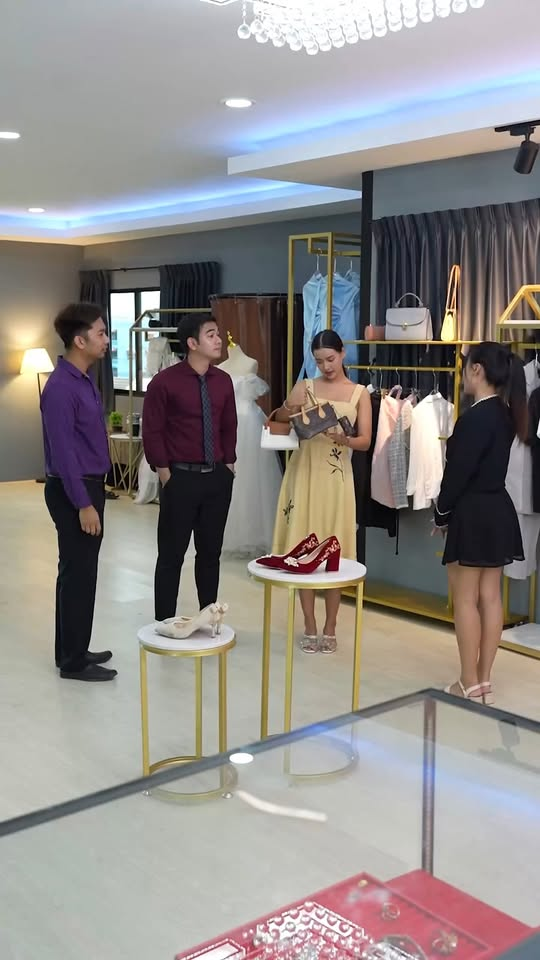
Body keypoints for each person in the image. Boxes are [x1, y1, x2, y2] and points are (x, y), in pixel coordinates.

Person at [433, 341, 527, 704]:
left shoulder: (474, 419)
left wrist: (441, 514)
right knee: (490, 598)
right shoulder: (506, 414)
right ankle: (483, 681)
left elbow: (457, 475)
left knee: (466, 599)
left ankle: (467, 681)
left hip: (472, 514)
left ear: (477, 370)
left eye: (466, 367)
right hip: (498, 511)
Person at [271, 330, 372, 653]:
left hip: (337, 478)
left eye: (330, 359)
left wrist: (344, 439)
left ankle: (330, 625)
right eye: (318, 361)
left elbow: (365, 441)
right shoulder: (306, 385)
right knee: (303, 547)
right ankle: (309, 623)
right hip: (303, 473)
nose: (326, 366)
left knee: (334, 551)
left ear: (342, 354)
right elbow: (280, 421)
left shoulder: (359, 393)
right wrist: (290, 403)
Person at [143, 313, 237, 621]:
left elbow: (229, 426)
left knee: (210, 554)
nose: (219, 340)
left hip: (217, 479)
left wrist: (229, 465)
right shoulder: (164, 383)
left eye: (218, 333)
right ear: (192, 343)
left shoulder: (223, 381)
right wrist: (165, 473)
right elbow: (152, 431)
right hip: (180, 478)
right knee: (171, 556)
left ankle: (208, 619)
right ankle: (163, 624)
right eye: (211, 334)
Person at [41, 303, 117, 681]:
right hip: (75, 489)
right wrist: (84, 503)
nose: (106, 340)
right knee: (77, 574)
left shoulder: (83, 379)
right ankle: (72, 662)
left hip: (88, 485)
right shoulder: (60, 388)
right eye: (101, 333)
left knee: (80, 574)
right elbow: (63, 453)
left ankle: (73, 649)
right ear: (79, 340)